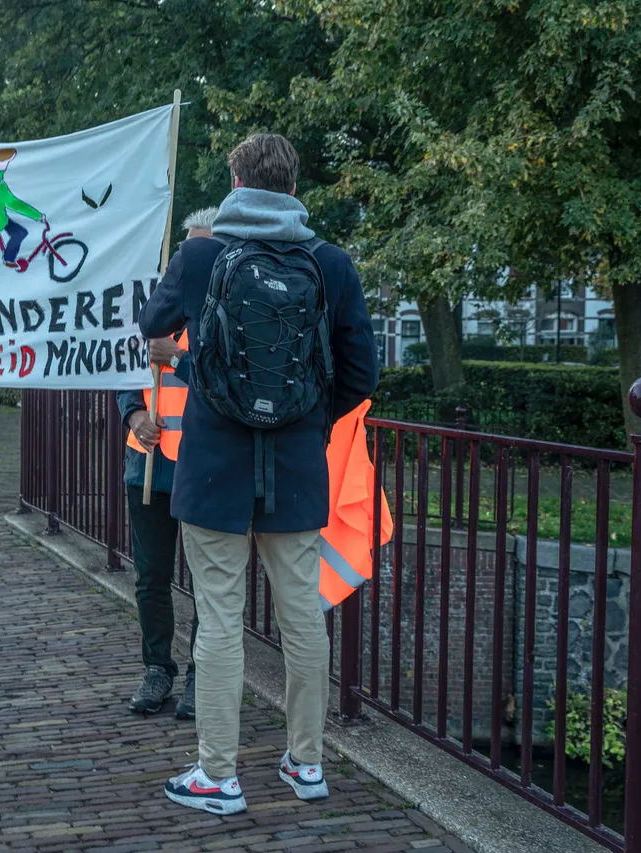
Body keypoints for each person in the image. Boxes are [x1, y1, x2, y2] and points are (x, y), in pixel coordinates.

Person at [139, 134, 379, 814]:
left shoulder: (201, 254)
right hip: (298, 472)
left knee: (218, 618)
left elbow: (155, 324)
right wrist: (304, 419)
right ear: (295, 188)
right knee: (304, 616)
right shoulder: (330, 263)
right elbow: (362, 375)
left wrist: (188, 365)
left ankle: (217, 774)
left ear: (236, 180)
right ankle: (307, 763)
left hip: (214, 467)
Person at [114, 209, 217, 720]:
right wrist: (133, 414)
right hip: (149, 464)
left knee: (208, 582)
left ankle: (201, 673)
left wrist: (174, 357)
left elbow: (227, 384)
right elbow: (120, 372)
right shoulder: (154, 307)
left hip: (203, 468)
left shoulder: (226, 310)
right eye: (189, 250)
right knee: (151, 575)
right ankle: (158, 668)